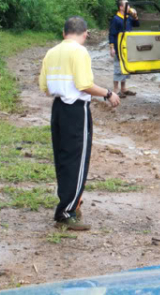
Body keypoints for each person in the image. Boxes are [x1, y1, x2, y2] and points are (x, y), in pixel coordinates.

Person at [39, 16, 121, 231]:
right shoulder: (79, 51)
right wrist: (108, 93)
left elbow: (44, 87)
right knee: (77, 161)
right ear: (85, 33)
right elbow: (84, 84)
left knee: (63, 160)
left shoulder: (51, 52)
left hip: (58, 109)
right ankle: (67, 212)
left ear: (64, 32)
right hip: (76, 110)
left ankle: (71, 205)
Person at [109, 0, 140, 98]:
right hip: (119, 47)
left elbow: (137, 24)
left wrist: (135, 15)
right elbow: (112, 34)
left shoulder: (128, 17)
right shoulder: (116, 19)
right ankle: (115, 89)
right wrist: (112, 48)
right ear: (121, 7)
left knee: (125, 68)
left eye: (129, 5)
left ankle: (123, 88)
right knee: (118, 68)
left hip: (128, 46)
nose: (129, 7)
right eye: (127, 5)